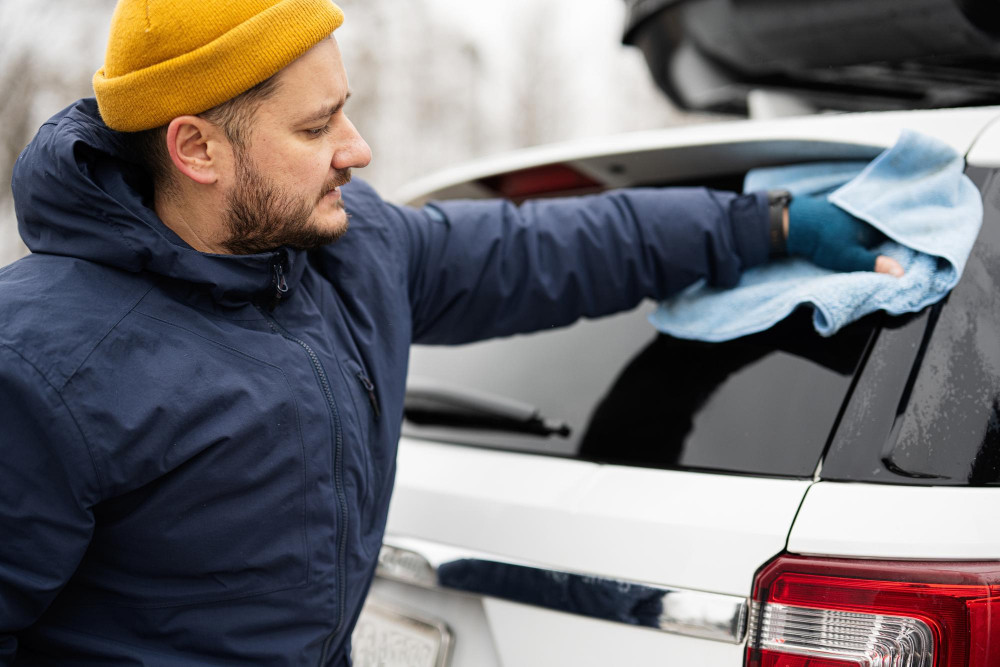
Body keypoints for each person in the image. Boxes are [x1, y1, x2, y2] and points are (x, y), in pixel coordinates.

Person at [0, 1, 901, 664]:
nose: (356, 148)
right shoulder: (43, 363)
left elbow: (561, 247)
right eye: (316, 126)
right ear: (197, 149)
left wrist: (769, 225)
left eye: (343, 108)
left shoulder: (349, 259)